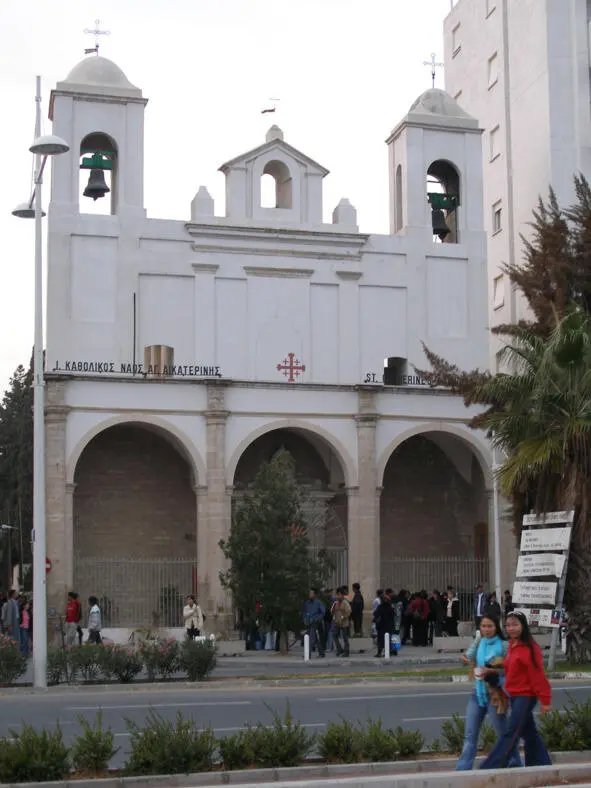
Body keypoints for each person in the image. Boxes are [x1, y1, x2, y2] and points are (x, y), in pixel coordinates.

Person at [480, 611, 552, 770]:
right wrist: (492, 671)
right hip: (514, 694)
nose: (511, 628)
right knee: (530, 734)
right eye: (508, 625)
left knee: (511, 733)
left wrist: (545, 700)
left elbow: (538, 676)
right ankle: (542, 766)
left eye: (515, 624)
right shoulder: (513, 644)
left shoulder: (531, 648)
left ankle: (488, 768)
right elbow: (510, 669)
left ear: (523, 626)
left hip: (525, 696)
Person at [456, 615, 522, 771]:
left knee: (503, 734)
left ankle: (515, 763)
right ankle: (463, 770)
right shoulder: (479, 642)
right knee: (470, 736)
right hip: (477, 694)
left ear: (496, 627)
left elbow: (511, 669)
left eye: (490, 626)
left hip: (496, 696)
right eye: (483, 626)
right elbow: (467, 657)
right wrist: (465, 659)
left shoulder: (505, 645)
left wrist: (492, 670)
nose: (486, 629)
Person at [302, 589, 325, 658]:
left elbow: (323, 612)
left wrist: (317, 618)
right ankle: (321, 653)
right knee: (315, 638)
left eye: (311, 594)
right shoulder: (307, 603)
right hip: (309, 622)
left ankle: (308, 654)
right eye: (309, 594)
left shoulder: (318, 602)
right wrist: (305, 619)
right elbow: (304, 612)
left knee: (311, 638)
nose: (310, 595)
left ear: (314, 595)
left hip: (315, 623)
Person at [374, 588, 395, 657]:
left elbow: (376, 615)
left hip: (381, 626)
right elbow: (393, 616)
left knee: (381, 640)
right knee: (388, 639)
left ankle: (380, 652)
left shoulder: (380, 607)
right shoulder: (390, 607)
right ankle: (389, 652)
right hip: (388, 626)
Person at [332, 587, 352, 656]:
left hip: (344, 623)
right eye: (337, 595)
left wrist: (343, 617)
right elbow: (334, 611)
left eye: (339, 595)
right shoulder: (336, 603)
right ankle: (339, 649)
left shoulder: (345, 603)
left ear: (343, 595)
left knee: (345, 637)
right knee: (334, 635)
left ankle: (346, 651)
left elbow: (348, 611)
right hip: (337, 622)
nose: (338, 596)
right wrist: (334, 618)